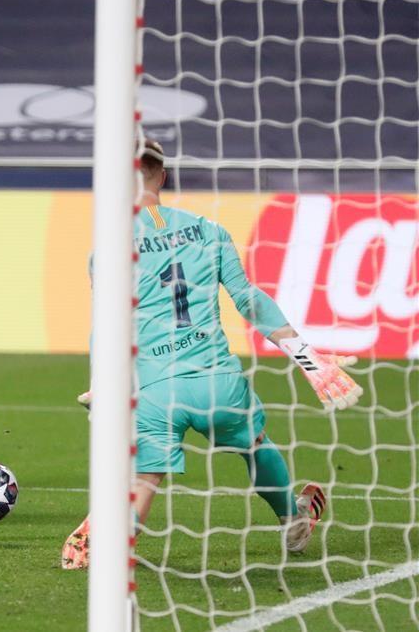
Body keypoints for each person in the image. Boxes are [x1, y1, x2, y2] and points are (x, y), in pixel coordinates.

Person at [60, 138, 363, 569]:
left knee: (145, 479)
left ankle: (111, 550)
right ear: (162, 175)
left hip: (156, 390)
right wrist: (306, 356)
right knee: (256, 446)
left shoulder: (108, 249)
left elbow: (106, 328)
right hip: (219, 381)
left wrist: (99, 385)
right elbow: (248, 299)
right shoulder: (209, 230)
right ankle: (293, 521)